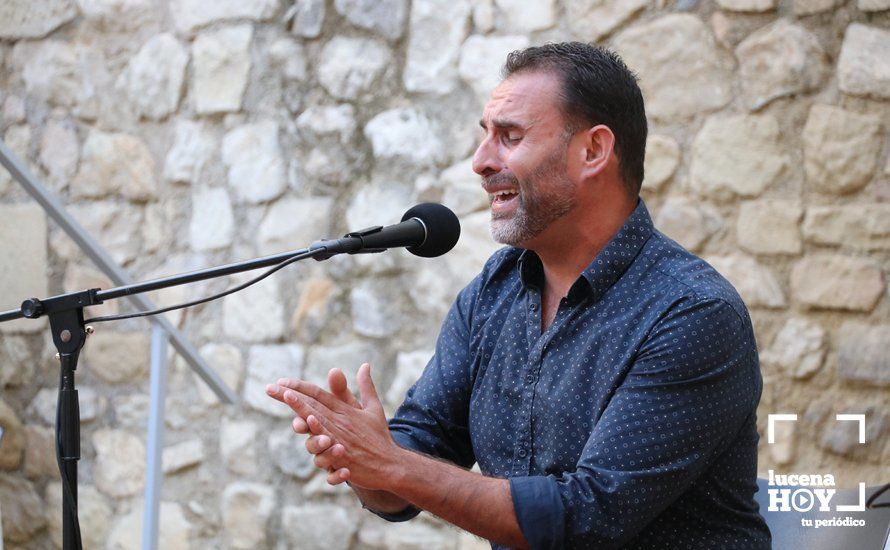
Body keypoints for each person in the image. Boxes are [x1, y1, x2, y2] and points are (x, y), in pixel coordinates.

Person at [266, 42, 771, 549]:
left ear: (592, 151)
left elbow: (585, 519)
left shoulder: (693, 313)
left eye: (509, 137)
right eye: (485, 137)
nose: (481, 162)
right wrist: (361, 459)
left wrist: (393, 464)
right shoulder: (495, 290)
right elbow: (414, 460)